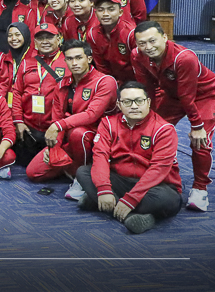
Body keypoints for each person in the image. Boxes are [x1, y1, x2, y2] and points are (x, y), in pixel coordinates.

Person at [75, 81, 182, 234]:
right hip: (121, 180)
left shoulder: (164, 129)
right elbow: (100, 156)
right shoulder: (107, 124)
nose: (134, 106)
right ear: (119, 104)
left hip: (154, 186)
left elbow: (158, 170)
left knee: (168, 200)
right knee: (83, 172)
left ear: (148, 102)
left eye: (139, 101)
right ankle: (131, 216)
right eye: (127, 102)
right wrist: (104, 189)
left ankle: (101, 202)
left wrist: (130, 200)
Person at [132, 20, 215, 211]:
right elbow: (148, 88)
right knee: (150, 130)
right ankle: (159, 176)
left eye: (152, 41)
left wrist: (197, 126)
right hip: (173, 94)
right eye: (142, 43)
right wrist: (149, 116)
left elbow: (188, 97)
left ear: (164, 37)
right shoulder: (137, 55)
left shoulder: (184, 58)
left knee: (200, 141)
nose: (148, 47)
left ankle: (200, 188)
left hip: (204, 95)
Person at [34, 40, 118, 197]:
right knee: (34, 172)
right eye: (70, 59)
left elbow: (92, 115)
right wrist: (54, 148)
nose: (74, 63)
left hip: (99, 137)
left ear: (89, 58)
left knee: (78, 133)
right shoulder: (62, 84)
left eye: (79, 58)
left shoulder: (105, 81)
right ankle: (72, 168)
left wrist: (58, 126)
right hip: (68, 135)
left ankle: (82, 178)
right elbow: (57, 118)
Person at [12, 23, 68, 173]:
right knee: (23, 164)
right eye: (40, 38)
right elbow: (16, 92)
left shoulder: (68, 62)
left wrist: (60, 126)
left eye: (49, 37)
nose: (44, 41)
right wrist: (18, 121)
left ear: (58, 39)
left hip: (55, 128)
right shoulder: (26, 62)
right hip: (29, 128)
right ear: (35, 42)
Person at [87, 0, 136, 83]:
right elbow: (101, 66)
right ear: (95, 13)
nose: (105, 14)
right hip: (110, 81)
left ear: (120, 12)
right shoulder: (92, 34)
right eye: (101, 10)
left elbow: (139, 65)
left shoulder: (131, 33)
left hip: (134, 81)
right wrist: (110, 83)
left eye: (111, 9)